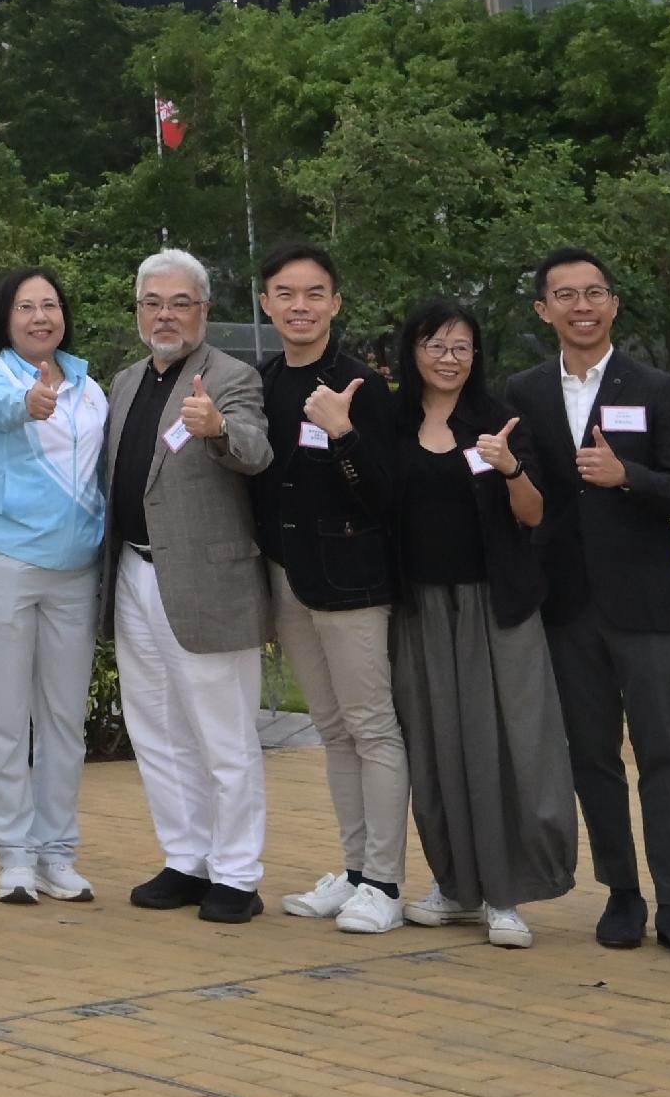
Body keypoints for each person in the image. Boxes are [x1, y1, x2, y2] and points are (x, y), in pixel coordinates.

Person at [506, 247, 670, 967]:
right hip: (567, 605)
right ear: (544, 310)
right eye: (565, 295)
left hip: (647, 605)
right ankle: (621, 892)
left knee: (665, 757)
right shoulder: (525, 390)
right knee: (592, 758)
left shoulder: (655, 387)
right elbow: (526, 492)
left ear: (614, 303)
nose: (582, 306)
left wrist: (628, 476)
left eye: (594, 292)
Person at [383, 299, 574, 948]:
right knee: (436, 748)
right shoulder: (392, 420)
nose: (449, 358)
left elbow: (534, 513)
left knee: (505, 746)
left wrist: (509, 465)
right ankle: (455, 885)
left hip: (494, 606)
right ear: (412, 351)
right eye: (435, 345)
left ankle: (505, 894)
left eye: (461, 347)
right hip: (419, 608)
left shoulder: (498, 419)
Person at [106, 248, 274, 923]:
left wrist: (220, 429)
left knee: (223, 735)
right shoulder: (126, 381)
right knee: (157, 728)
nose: (165, 315)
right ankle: (186, 859)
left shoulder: (232, 377)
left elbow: (256, 451)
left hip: (207, 580)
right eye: (153, 303)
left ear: (204, 310)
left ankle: (237, 872)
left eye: (180, 303)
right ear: (139, 311)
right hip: (133, 572)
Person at [249, 241, 405, 936]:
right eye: (286, 293)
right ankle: (355, 870)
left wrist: (341, 433)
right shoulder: (261, 381)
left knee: (373, 727)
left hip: (351, 581)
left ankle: (386, 882)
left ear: (336, 303)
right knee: (333, 728)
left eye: (315, 293)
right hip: (287, 578)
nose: (300, 306)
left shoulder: (361, 385)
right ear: (266, 304)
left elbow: (384, 493)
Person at [0, 266, 107, 908]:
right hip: (3, 562)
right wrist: (29, 404)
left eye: (49, 305)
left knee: (64, 720)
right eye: (25, 307)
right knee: (4, 718)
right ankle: (14, 855)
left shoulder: (91, 388)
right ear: (6, 319)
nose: (40, 316)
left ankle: (57, 853)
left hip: (76, 569)